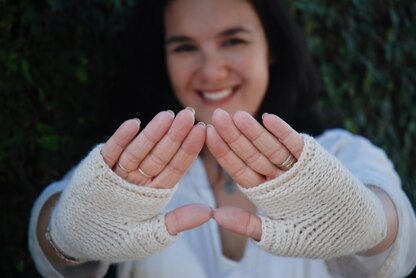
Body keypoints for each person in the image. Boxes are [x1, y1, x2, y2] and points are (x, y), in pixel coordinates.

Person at [28, 0, 416, 277]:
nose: (211, 71)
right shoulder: (136, 167)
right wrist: (65, 235)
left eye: (233, 41)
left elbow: (400, 240)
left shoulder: (342, 152)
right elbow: (52, 239)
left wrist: (371, 223)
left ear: (272, 49)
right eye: (184, 47)